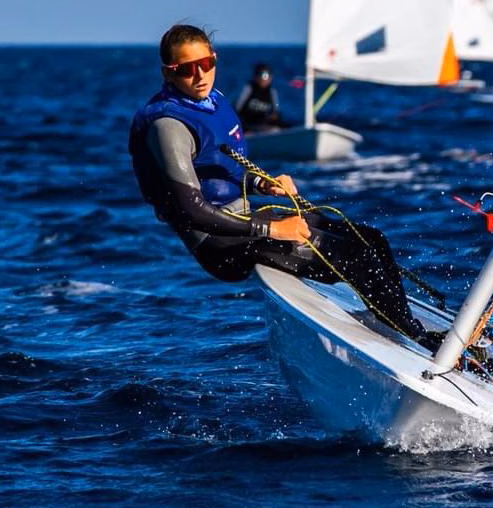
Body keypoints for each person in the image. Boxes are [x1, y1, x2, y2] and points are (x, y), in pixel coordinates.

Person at [129, 24, 432, 345]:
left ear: (214, 59)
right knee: (353, 256)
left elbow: (217, 172)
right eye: (187, 69)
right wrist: (273, 229)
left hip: (245, 222)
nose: (200, 75)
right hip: (219, 244)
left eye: (206, 64)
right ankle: (414, 339)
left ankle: (401, 323)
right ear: (168, 72)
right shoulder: (169, 126)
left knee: (372, 240)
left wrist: (261, 183)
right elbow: (192, 210)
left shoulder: (212, 101)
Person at [234, 62, 288, 132]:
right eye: (263, 76)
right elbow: (237, 109)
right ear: (256, 77)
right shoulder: (249, 89)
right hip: (248, 125)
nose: (265, 80)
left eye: (268, 76)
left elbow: (275, 112)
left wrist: (273, 117)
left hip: (264, 124)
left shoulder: (272, 92)